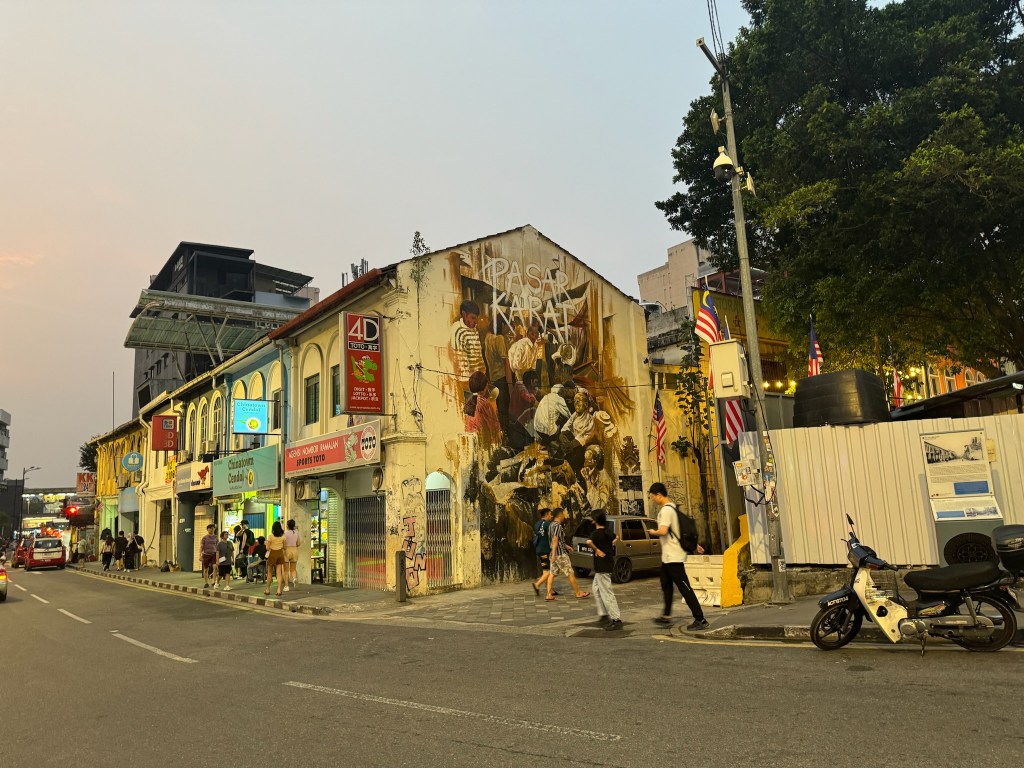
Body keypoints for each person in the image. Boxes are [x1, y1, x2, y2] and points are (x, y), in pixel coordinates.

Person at [647, 482, 708, 631]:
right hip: (668, 557)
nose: (652, 499)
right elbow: (679, 531)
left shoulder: (666, 511)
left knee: (684, 587)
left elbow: (663, 531)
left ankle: (700, 619)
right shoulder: (673, 508)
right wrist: (694, 545)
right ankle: (666, 616)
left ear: (659, 495)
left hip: (673, 557)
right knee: (666, 584)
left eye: (653, 496)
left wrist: (653, 532)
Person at [586, 510, 622, 630]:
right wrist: (609, 544)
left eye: (593, 519)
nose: (592, 521)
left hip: (602, 567)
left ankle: (616, 619)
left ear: (595, 520)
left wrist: (597, 550)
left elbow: (588, 542)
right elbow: (617, 537)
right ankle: (603, 614)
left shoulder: (596, 533)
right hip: (607, 564)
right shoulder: (608, 531)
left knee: (607, 593)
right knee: (596, 589)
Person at [545, 508, 589, 601]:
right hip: (560, 555)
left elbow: (557, 541)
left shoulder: (551, 525)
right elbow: (555, 540)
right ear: (560, 515)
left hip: (554, 553)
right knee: (570, 573)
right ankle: (578, 593)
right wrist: (555, 554)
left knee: (552, 574)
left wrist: (566, 546)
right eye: (563, 514)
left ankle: (548, 594)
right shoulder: (558, 526)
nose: (564, 516)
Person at [450, 299, 485, 383]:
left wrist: (482, 374)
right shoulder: (458, 330)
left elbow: (479, 356)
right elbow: (460, 361)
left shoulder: (474, 330)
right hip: (467, 381)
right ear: (464, 314)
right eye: (473, 318)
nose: (476, 321)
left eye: (476, 318)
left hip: (477, 379)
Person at [531, 508, 554, 597]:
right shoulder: (548, 525)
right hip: (545, 550)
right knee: (550, 571)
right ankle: (537, 585)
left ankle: (550, 590)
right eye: (550, 514)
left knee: (545, 570)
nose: (551, 516)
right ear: (547, 514)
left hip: (539, 550)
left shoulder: (537, 524)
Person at [265, 521, 287, 597]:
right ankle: (279, 590)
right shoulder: (283, 536)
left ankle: (267, 589)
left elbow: (267, 548)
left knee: (270, 572)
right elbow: (285, 547)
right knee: (279, 573)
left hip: (272, 554)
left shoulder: (270, 536)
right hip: (280, 554)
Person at [283, 518, 300, 591]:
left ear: (287, 525)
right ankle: (294, 578)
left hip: (287, 551)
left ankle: (286, 586)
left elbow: (283, 544)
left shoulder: (285, 533)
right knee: (293, 569)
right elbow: (298, 543)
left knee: (286, 570)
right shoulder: (296, 532)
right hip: (294, 551)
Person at [200, 523, 219, 588]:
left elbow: (218, 546)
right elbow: (201, 547)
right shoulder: (204, 538)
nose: (211, 529)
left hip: (214, 554)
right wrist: (200, 555)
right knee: (206, 569)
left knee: (215, 567)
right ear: (207, 529)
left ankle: (213, 581)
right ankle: (206, 582)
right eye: (210, 528)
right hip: (206, 554)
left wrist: (218, 555)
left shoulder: (216, 537)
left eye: (213, 528)